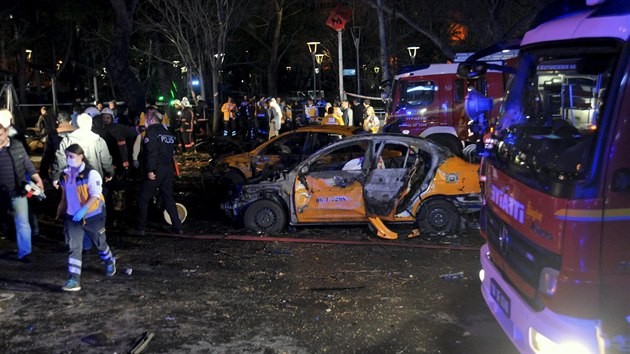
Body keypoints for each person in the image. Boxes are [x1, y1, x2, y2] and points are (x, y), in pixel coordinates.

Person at [57, 143, 116, 291]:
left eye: (71, 156)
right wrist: (61, 209)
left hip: (93, 216)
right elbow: (64, 195)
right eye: (67, 156)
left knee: (99, 243)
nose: (68, 159)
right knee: (73, 247)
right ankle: (73, 279)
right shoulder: (65, 175)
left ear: (81, 157)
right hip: (73, 217)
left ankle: (109, 261)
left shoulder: (91, 174)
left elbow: (95, 195)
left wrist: (84, 210)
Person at [0, 110, 44, 263]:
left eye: (0, 135)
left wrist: (37, 179)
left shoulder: (17, 145)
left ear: (5, 133)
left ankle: (25, 252)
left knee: (22, 221)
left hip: (17, 191)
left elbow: (27, 164)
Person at [133, 110, 182, 235]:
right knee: (168, 198)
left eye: (148, 119)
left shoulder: (152, 132)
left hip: (156, 169)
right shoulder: (168, 133)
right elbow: (172, 153)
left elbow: (151, 153)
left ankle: (140, 228)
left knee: (143, 198)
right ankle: (177, 226)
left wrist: (150, 170)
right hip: (168, 169)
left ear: (151, 120)